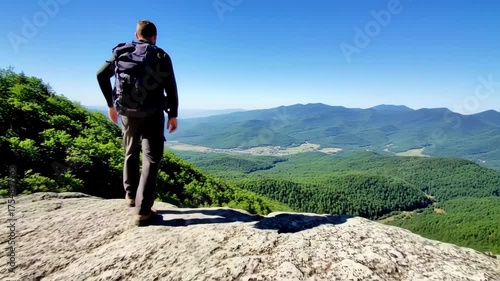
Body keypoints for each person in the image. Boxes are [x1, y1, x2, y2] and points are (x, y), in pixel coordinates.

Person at [96, 20, 179, 226]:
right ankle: (143, 211)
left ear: (136, 34)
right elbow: (171, 88)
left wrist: (111, 105)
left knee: (130, 151)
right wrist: (173, 115)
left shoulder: (121, 52)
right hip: (152, 113)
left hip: (127, 112)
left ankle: (131, 196)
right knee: (151, 157)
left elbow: (100, 75)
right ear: (155, 37)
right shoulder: (160, 55)